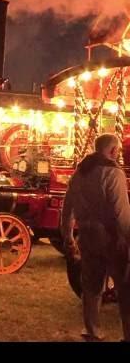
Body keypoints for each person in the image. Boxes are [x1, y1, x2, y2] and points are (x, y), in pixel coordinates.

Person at [61, 133, 130, 342]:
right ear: (113, 150)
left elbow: (67, 208)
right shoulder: (112, 173)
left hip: (87, 236)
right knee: (125, 288)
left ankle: (93, 331)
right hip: (110, 237)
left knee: (91, 287)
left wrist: (68, 236)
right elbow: (121, 212)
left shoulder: (79, 172)